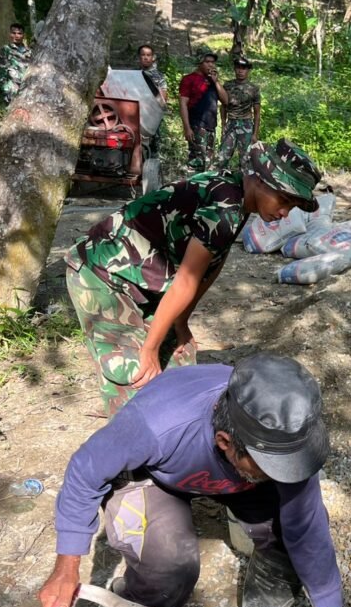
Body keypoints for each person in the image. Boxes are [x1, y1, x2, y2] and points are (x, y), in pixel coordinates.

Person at [37, 354, 351, 607]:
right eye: (271, 467)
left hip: (232, 472)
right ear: (226, 443)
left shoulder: (286, 441)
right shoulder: (157, 424)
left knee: (285, 537)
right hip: (152, 475)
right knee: (168, 572)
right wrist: (67, 563)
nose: (287, 474)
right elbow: (86, 471)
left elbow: (306, 526)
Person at [65, 138, 322, 416]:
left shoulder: (240, 199)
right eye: (283, 199)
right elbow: (187, 280)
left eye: (292, 206)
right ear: (258, 178)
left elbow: (212, 264)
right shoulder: (224, 209)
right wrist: (149, 349)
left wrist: (181, 321)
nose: (284, 212)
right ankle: (128, 436)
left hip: (139, 280)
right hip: (101, 274)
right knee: (137, 378)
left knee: (179, 360)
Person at [179, 52, 228, 170]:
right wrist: (187, 127)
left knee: (209, 161)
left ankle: (205, 186)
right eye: (207, 62)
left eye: (213, 62)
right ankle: (192, 186)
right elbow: (183, 104)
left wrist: (215, 81)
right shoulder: (189, 79)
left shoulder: (213, 81)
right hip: (196, 125)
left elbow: (226, 100)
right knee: (196, 161)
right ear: (200, 63)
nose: (211, 65)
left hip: (211, 126)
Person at [216, 56, 261, 169]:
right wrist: (223, 124)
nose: (240, 71)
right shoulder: (227, 85)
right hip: (231, 123)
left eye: (244, 68)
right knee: (222, 157)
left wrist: (255, 134)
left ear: (248, 70)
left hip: (246, 124)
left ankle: (244, 184)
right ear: (234, 69)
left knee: (245, 160)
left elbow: (257, 113)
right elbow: (223, 106)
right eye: (238, 68)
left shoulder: (253, 88)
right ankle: (219, 182)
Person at [138, 44, 167, 155]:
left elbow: (163, 99)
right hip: (134, 113)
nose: (146, 57)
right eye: (143, 55)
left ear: (152, 57)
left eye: (148, 55)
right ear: (139, 57)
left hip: (151, 116)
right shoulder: (133, 74)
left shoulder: (159, 76)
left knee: (151, 149)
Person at [0, 22, 32, 104]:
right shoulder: (6, 49)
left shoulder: (29, 51)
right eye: (14, 33)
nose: (16, 36)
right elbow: (2, 71)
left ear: (23, 35)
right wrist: (5, 90)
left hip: (27, 87)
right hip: (12, 88)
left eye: (19, 33)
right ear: (10, 34)